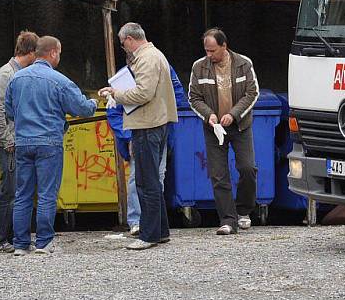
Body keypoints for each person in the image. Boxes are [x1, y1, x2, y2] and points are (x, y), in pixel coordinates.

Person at [5, 35, 97, 256]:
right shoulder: (59, 80)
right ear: (53, 52)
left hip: (23, 142)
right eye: (60, 53)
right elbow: (82, 108)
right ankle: (44, 243)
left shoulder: (16, 79)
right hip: (49, 143)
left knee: (23, 194)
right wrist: (93, 102)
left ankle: (20, 244)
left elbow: (8, 111)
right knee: (47, 194)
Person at [99, 23, 177, 250]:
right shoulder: (156, 55)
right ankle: (160, 230)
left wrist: (116, 93)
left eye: (123, 44)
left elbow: (143, 92)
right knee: (151, 179)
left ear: (130, 39)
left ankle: (150, 235)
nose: (124, 49)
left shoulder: (146, 58)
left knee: (146, 181)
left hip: (147, 125)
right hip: (155, 123)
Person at [106, 51, 187, 237]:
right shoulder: (123, 79)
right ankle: (138, 221)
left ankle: (153, 225)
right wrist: (127, 138)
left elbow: (178, 98)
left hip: (156, 130)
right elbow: (114, 112)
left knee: (153, 177)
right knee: (141, 178)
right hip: (144, 131)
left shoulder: (162, 71)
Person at [188, 28, 259, 235]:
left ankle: (244, 210)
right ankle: (227, 219)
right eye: (206, 51)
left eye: (212, 51)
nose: (209, 55)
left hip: (240, 126)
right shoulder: (198, 67)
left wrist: (234, 114)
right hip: (214, 129)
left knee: (247, 168)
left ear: (224, 46)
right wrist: (209, 115)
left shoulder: (243, 63)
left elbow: (252, 93)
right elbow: (194, 98)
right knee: (218, 174)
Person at [0, 30, 38, 253]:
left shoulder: (14, 73)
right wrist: (7, 139)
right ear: (32, 53)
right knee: (10, 189)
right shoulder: (6, 75)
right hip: (5, 142)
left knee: (14, 189)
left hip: (11, 140)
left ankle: (10, 237)